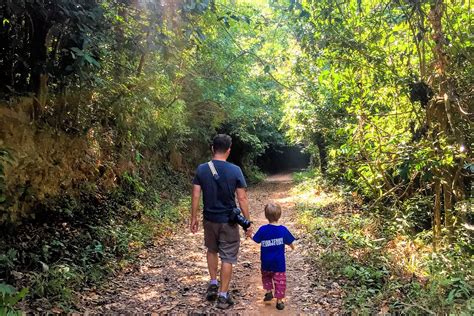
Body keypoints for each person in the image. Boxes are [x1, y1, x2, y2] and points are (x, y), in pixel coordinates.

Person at [190, 134, 253, 309]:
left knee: (211, 249)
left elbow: (196, 195)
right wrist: (247, 222)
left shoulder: (202, 169)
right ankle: (223, 296)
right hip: (229, 221)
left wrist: (193, 218)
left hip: (209, 219)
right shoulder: (235, 170)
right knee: (228, 256)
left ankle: (213, 283)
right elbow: (242, 198)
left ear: (212, 149)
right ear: (229, 150)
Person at [252, 203, 295, 310]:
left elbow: (256, 240)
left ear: (266, 216)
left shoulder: (263, 229)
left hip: (266, 262)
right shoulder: (283, 230)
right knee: (280, 281)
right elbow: (289, 242)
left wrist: (250, 234)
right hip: (278, 263)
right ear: (279, 215)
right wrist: (292, 247)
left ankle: (268, 292)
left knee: (266, 277)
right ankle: (279, 301)